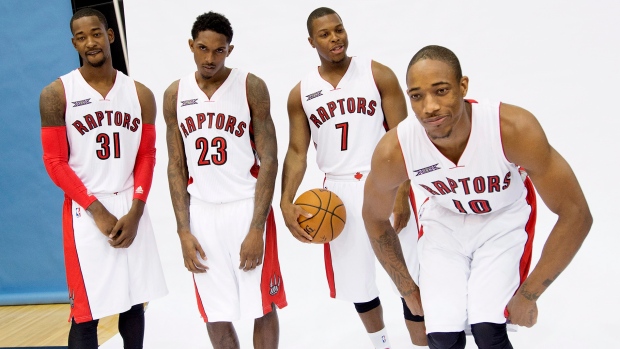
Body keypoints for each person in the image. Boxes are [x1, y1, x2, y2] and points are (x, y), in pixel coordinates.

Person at [362, 45, 593, 349]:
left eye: (441, 90)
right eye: (417, 96)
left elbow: (576, 213)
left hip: (503, 218)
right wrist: (406, 287)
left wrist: (529, 294)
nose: (429, 106)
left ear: (463, 86)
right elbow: (374, 217)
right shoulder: (397, 148)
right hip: (445, 221)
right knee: (442, 333)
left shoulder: (512, 129)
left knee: (488, 328)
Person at [280, 7, 427, 348]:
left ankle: (424, 343)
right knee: (357, 284)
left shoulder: (378, 75)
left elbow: (404, 137)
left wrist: (402, 193)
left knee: (410, 276)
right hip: (338, 193)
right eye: (325, 34)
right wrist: (285, 200)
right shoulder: (301, 93)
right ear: (311, 41)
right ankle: (382, 344)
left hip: (384, 182)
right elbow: (297, 151)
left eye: (339, 30)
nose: (335, 38)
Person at [39, 8, 168, 349]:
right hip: (86, 207)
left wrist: (137, 209)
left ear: (109, 36)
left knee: (134, 301)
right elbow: (54, 162)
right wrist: (96, 210)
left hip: (129, 201)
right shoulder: (57, 94)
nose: (90, 42)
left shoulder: (140, 94)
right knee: (86, 312)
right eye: (81, 37)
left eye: (96, 33)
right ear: (74, 44)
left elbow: (146, 154)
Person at [163, 12, 287, 349]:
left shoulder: (251, 86)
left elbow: (270, 159)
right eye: (202, 48)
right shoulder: (175, 94)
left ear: (229, 50)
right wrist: (183, 231)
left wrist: (257, 227)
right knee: (214, 312)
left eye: (219, 51)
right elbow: (176, 165)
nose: (209, 58)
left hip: (246, 206)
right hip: (202, 213)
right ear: (191, 46)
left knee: (262, 306)